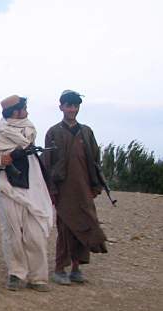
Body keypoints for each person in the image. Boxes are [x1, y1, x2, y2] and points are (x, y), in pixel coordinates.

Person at [0, 95, 54, 291]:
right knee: (12, 233)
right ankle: (16, 273)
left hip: (32, 186)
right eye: (23, 108)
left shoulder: (29, 130)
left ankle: (38, 277)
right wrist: (2, 160)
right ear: (15, 111)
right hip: (7, 187)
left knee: (35, 233)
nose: (27, 112)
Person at [43, 90, 108, 284]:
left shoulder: (86, 132)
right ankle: (59, 269)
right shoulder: (53, 132)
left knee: (85, 226)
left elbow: (95, 160)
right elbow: (47, 163)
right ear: (61, 107)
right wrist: (51, 190)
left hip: (84, 188)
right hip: (63, 189)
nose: (72, 109)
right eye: (68, 105)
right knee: (65, 229)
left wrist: (96, 185)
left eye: (75, 105)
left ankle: (76, 268)